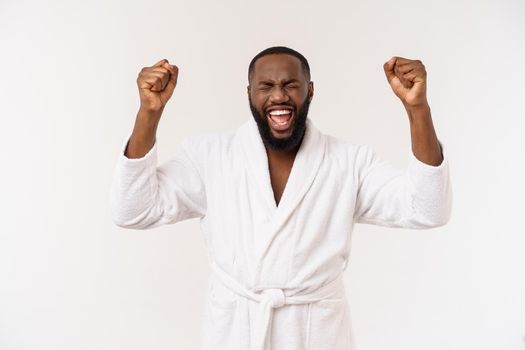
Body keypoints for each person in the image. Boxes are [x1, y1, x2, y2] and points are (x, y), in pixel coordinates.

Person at [110, 46, 452, 350]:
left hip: (316, 334)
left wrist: (417, 109)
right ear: (249, 93)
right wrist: (149, 114)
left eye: (290, 84)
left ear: (310, 91)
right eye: (266, 86)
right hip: (235, 332)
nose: (279, 96)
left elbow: (427, 210)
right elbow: (133, 210)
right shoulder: (210, 157)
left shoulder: (348, 162)